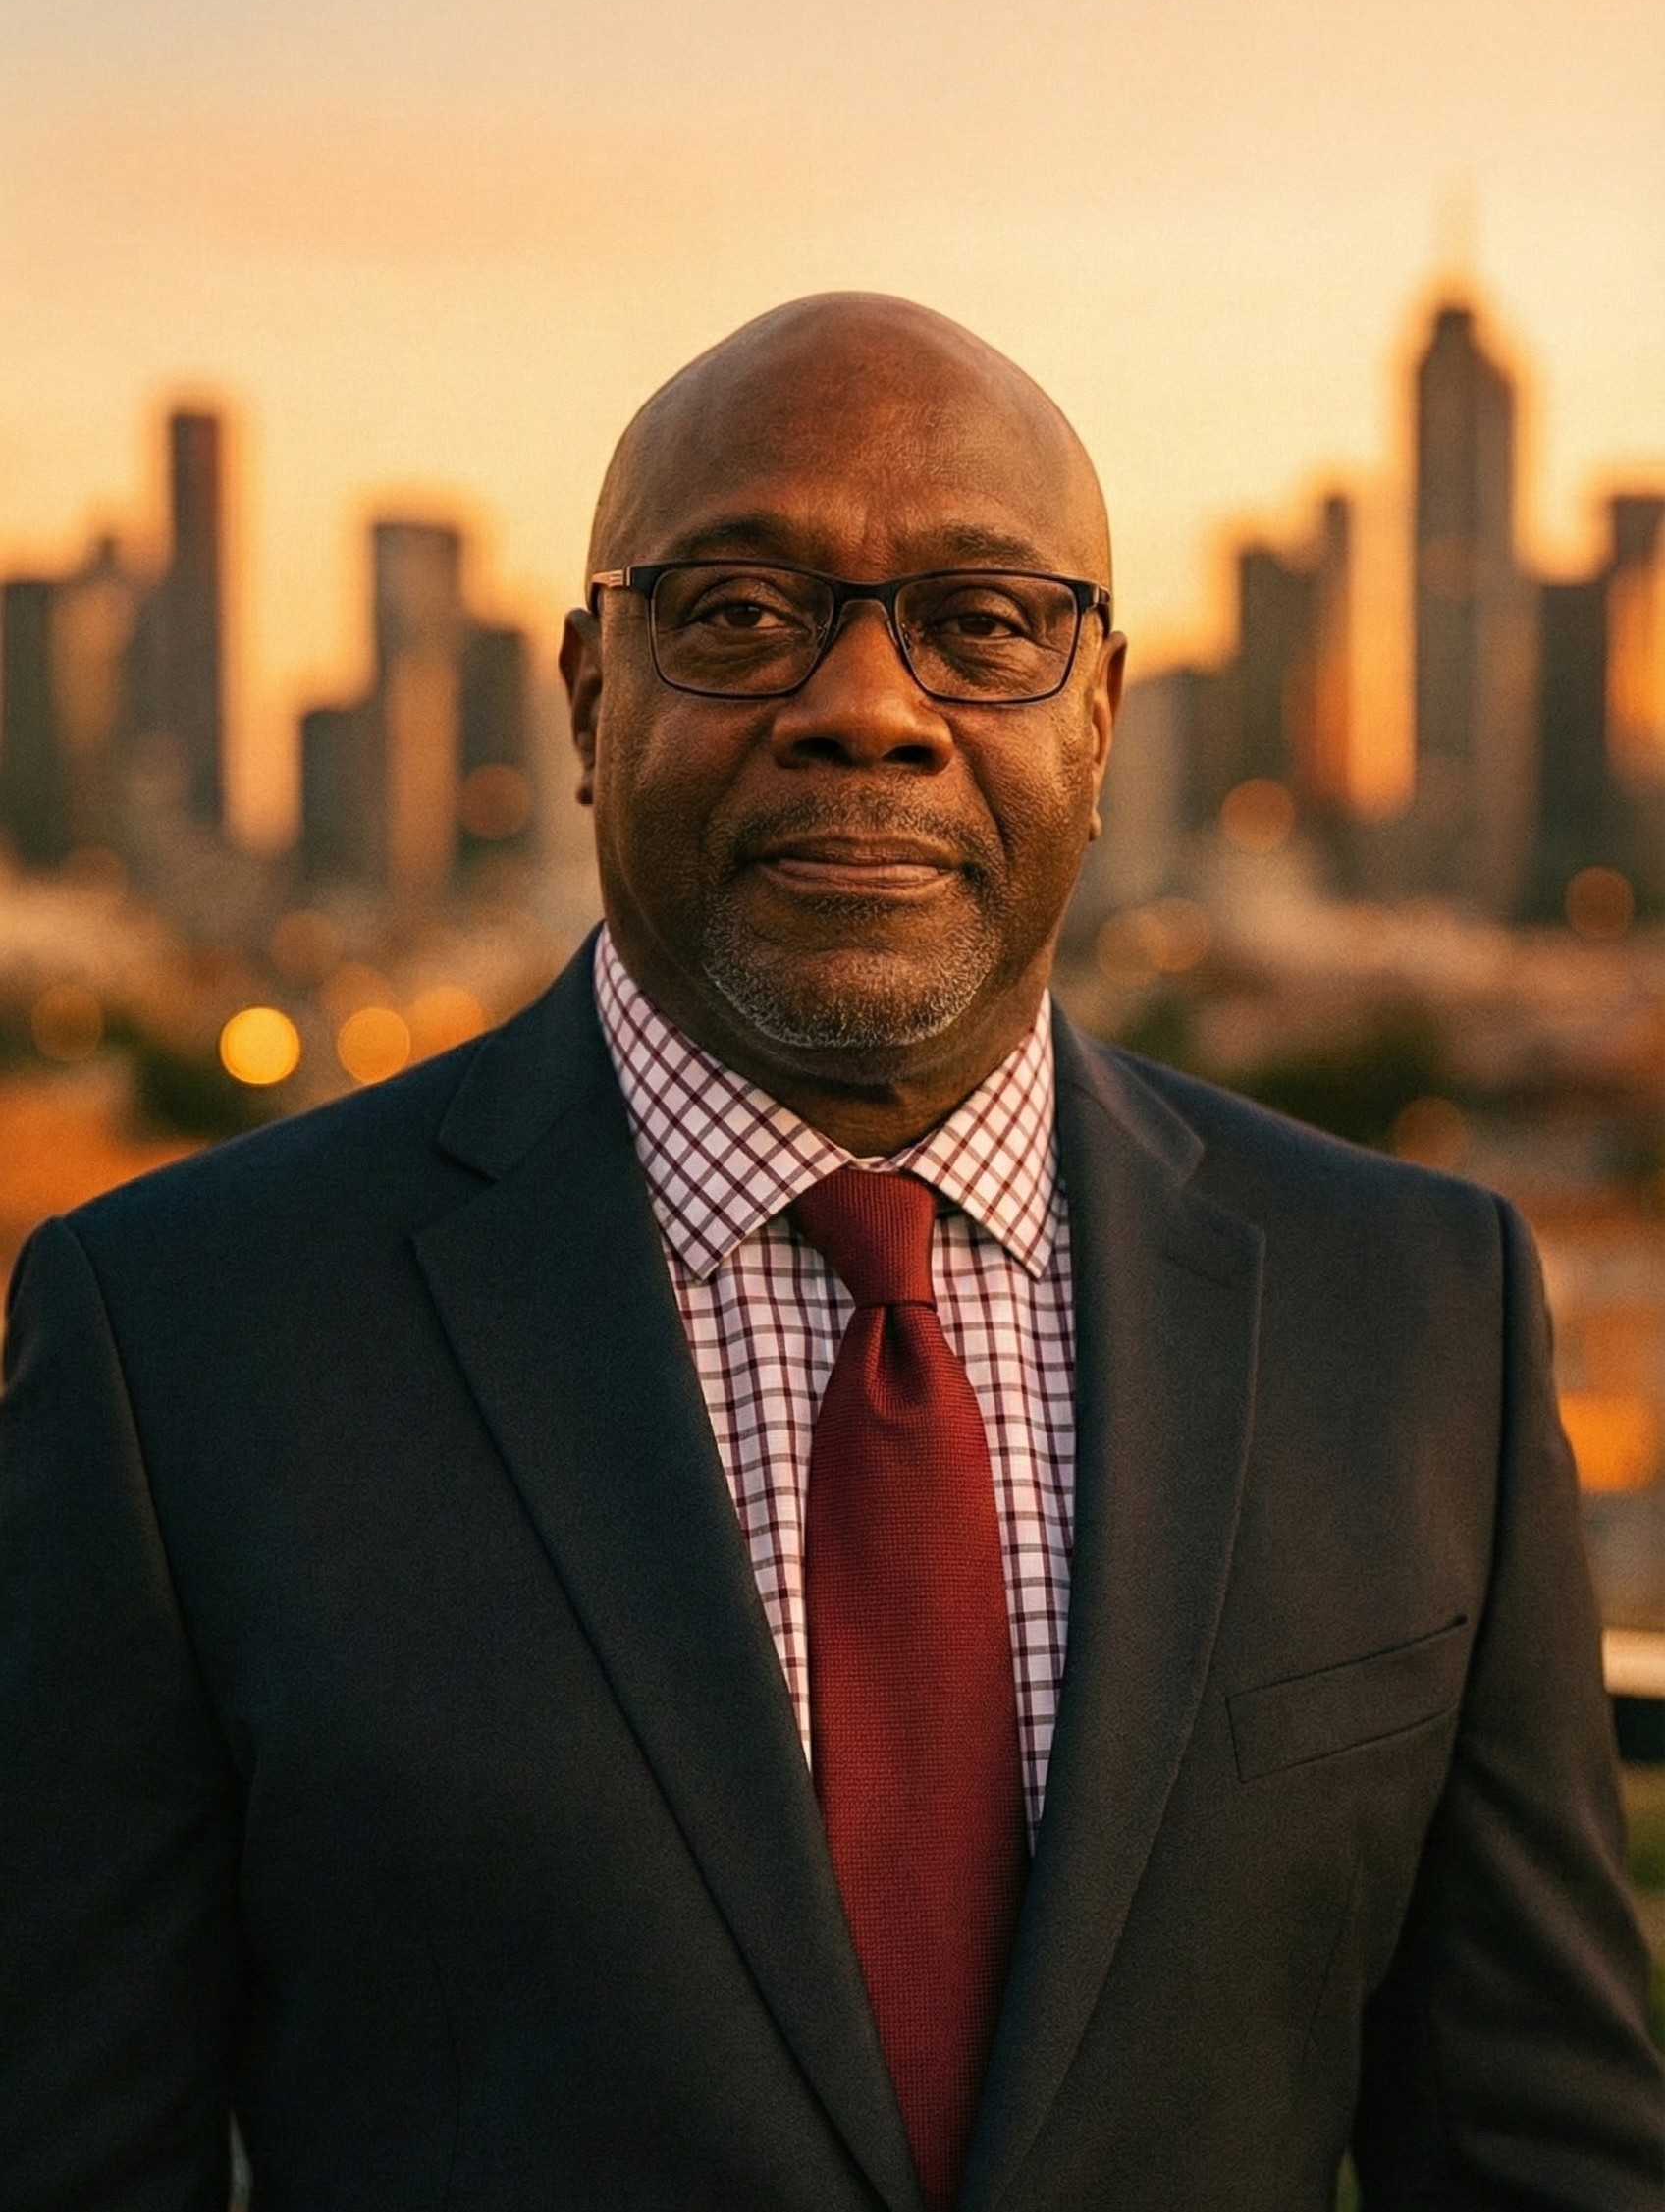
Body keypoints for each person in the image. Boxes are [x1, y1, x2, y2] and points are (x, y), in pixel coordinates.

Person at [1, 294, 1659, 2212]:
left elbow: (1543, 2156)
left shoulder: (1414, 1312)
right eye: (733, 612)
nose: (865, 702)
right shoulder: (180, 1337)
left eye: (980, 622)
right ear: (583, 697)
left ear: (1101, 716)